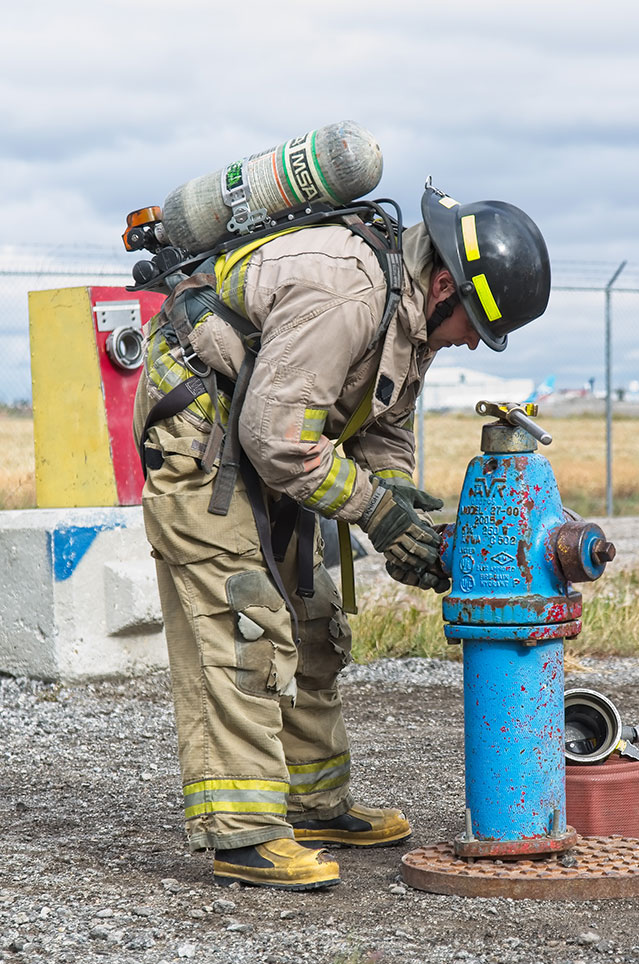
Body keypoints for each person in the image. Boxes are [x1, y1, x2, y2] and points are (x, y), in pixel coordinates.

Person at [132, 181, 551, 890]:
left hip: (274, 431)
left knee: (315, 622)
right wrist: (376, 517)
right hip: (208, 436)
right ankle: (244, 835)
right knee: (244, 625)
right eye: (473, 327)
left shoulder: (414, 308)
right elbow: (275, 441)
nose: (470, 342)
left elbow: (383, 421)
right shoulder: (347, 296)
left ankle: (314, 803)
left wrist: (400, 505)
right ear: (447, 283)